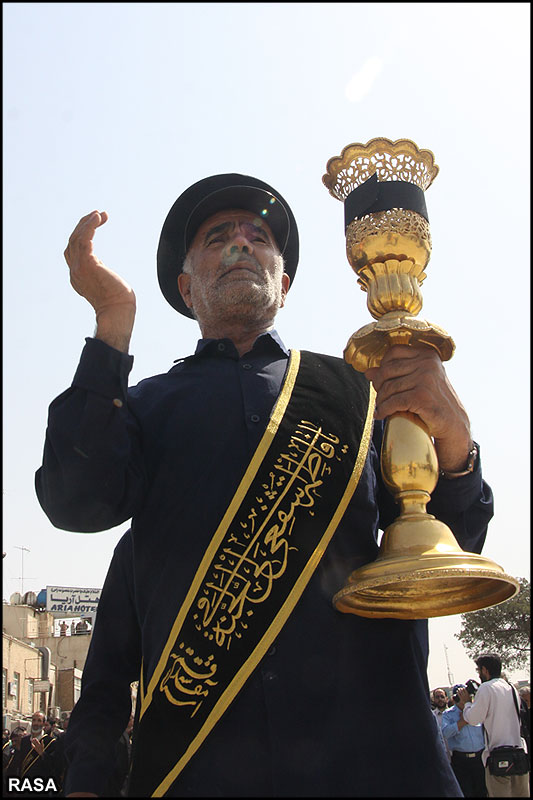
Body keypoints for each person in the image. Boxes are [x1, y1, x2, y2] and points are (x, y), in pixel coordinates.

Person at [35, 173, 494, 797]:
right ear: (185, 285)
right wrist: (112, 323)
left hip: (377, 768)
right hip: (201, 772)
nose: (241, 244)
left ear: (283, 282)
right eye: (217, 236)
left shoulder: (360, 395)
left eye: (260, 236)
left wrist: (456, 440)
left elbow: (455, 543)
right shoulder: (141, 410)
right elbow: (76, 503)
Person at [458, 654, 529, 797]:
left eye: (479, 671)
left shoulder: (486, 688)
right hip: (519, 755)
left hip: (498, 758)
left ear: (485, 670)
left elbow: (473, 719)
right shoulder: (511, 688)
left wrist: (466, 703)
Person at [442, 684, 487, 797]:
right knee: (466, 792)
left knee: (482, 792)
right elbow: (445, 733)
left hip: (479, 759)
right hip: (461, 760)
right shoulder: (448, 714)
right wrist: (462, 722)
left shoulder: (476, 710)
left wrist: (469, 715)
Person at [432, 687, 452, 761]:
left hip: (457, 755)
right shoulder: (432, 717)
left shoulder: (453, 714)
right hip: (442, 757)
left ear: (447, 698)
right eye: (437, 697)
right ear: (433, 699)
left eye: (442, 697)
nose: (440, 699)